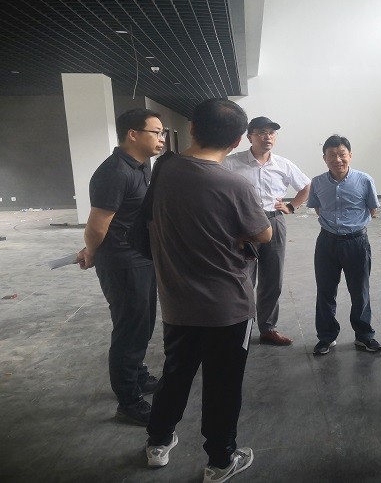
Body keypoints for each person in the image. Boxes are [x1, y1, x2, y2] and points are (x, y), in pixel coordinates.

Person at [144, 99, 272, 482]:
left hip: (177, 303)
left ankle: (157, 442)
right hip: (227, 309)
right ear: (237, 141)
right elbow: (263, 233)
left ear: (192, 129)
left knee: (175, 374)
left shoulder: (164, 169)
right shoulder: (234, 184)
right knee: (223, 386)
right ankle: (221, 460)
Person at [76, 108, 164, 426]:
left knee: (143, 324)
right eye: (156, 132)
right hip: (122, 262)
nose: (162, 138)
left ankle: (137, 375)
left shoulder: (141, 166)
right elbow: (96, 226)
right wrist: (91, 252)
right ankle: (128, 401)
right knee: (130, 329)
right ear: (133, 134)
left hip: (141, 258)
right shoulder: (114, 172)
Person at [224, 116, 310, 346]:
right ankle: (240, 327)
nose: (267, 137)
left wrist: (291, 206)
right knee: (243, 278)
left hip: (274, 222)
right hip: (243, 226)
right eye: (262, 132)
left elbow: (306, 185)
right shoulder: (231, 163)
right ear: (249, 137)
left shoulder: (283, 164)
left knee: (272, 278)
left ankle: (268, 328)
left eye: (271, 133)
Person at [307, 135, 381, 356]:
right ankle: (326, 337)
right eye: (331, 155)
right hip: (327, 242)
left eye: (342, 154)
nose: (337, 159)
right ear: (324, 158)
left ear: (350, 155)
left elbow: (372, 209)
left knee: (360, 291)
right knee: (325, 291)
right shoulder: (317, 182)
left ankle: (364, 335)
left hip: (356, 242)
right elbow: (318, 208)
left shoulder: (364, 180)